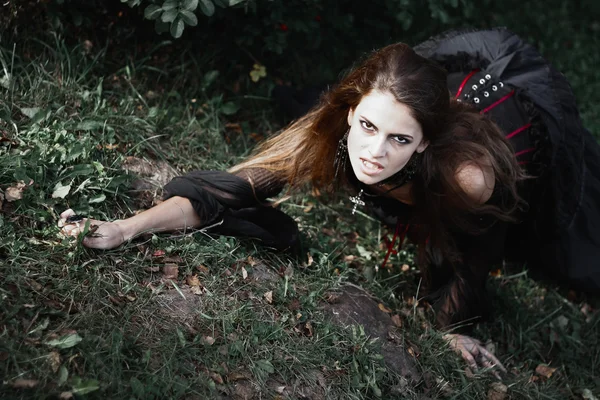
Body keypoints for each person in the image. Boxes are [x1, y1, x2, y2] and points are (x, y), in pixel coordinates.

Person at [58, 28, 600, 375]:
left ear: (425, 142)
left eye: (399, 140)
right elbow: (229, 187)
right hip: (435, 101)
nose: (374, 153)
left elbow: (478, 254)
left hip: (515, 121)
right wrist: (128, 227)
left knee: (567, 250)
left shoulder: (465, 176)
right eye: (366, 126)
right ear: (349, 112)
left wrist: (451, 328)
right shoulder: (340, 131)